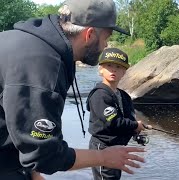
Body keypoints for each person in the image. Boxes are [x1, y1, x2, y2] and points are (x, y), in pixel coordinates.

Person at [0, 0, 146, 179]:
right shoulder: (44, 67)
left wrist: (33, 173)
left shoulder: (31, 44)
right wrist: (103, 157)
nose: (106, 46)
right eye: (106, 39)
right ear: (90, 34)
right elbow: (45, 155)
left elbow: (19, 122)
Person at [86, 48, 152, 180]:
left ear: (124, 72)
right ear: (101, 69)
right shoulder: (99, 95)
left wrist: (135, 131)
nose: (113, 70)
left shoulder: (124, 96)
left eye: (118, 67)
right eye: (109, 66)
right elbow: (113, 122)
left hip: (118, 146)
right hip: (102, 147)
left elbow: (127, 119)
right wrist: (134, 125)